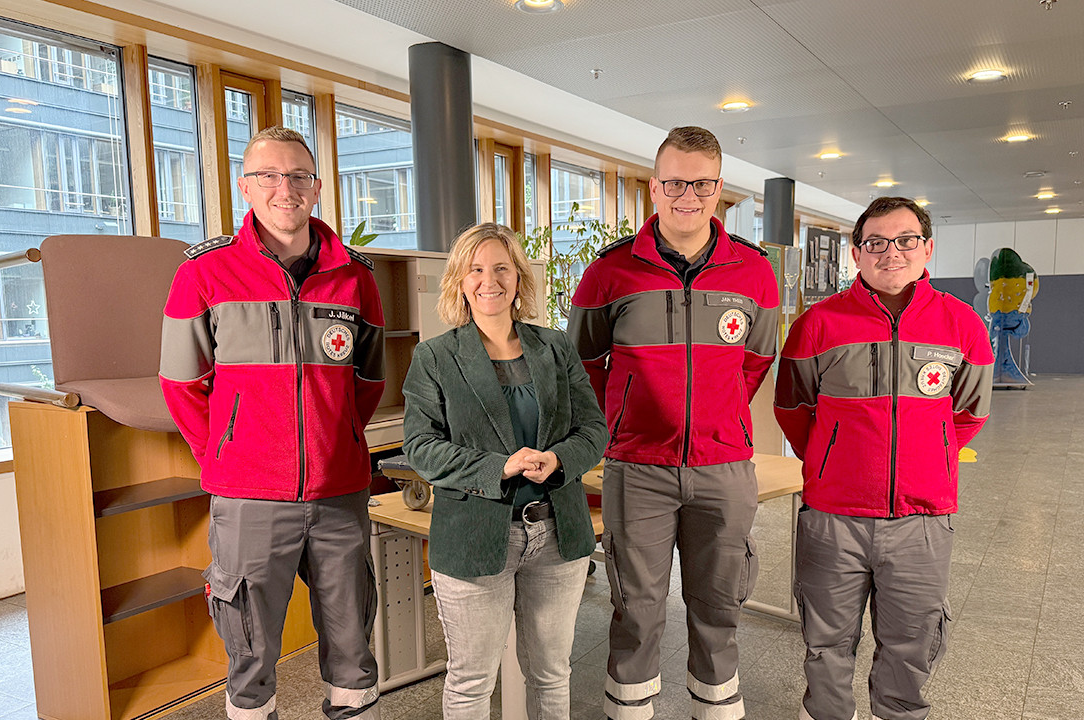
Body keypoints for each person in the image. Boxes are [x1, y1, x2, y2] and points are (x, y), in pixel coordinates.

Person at [160, 126, 385, 720]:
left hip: (340, 492)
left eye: (297, 176)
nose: (284, 188)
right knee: (251, 653)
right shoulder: (204, 273)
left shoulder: (356, 277)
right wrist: (225, 454)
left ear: (315, 187)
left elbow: (368, 383)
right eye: (268, 176)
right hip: (248, 495)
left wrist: (338, 438)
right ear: (246, 187)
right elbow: (181, 385)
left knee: (353, 645)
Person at [568, 126, 780, 720]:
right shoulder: (610, 272)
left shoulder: (754, 272)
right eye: (675, 182)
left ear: (720, 190)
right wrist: (625, 419)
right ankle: (630, 708)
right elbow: (582, 361)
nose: (688, 194)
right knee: (636, 605)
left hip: (724, 466)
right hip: (638, 468)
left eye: (703, 183)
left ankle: (716, 706)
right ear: (654, 188)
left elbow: (756, 362)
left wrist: (715, 417)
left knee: (720, 601)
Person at [774, 196, 993, 720]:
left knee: (911, 645)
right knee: (826, 643)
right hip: (834, 517)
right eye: (875, 242)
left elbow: (969, 411)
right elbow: (793, 407)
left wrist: (928, 454)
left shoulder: (961, 325)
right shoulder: (817, 324)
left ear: (927, 249)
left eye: (905, 240)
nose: (890, 252)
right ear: (857, 253)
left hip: (921, 519)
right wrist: (836, 458)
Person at [401, 223, 607, 719]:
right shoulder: (434, 356)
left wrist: (558, 459)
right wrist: (501, 467)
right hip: (474, 535)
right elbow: (421, 448)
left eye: (500, 267)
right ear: (459, 279)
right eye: (475, 268)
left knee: (552, 674)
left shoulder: (555, 347)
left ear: (519, 277)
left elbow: (594, 429)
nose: (488, 280)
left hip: (557, 533)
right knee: (472, 681)